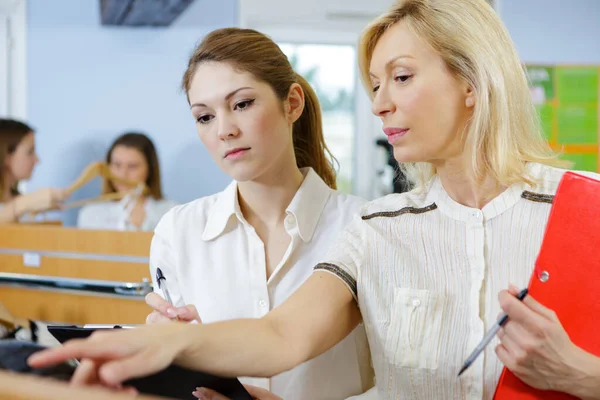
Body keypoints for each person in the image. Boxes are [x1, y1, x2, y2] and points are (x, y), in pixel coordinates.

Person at [27, 1, 600, 399]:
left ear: (472, 80)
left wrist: (580, 374)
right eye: (374, 85)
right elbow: (281, 335)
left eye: (400, 77)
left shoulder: (585, 211)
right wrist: (165, 342)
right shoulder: (379, 227)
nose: (380, 104)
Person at [135, 28, 374, 399]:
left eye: (242, 104)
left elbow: (398, 383)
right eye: (204, 117)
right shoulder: (177, 232)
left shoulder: (365, 227)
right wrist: (174, 352)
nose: (225, 131)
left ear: (292, 104)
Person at [77, 132, 176, 231]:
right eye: (117, 165)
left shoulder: (171, 213)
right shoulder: (91, 214)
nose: (122, 175)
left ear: (150, 169)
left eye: (132, 166)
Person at [0, 119, 68, 223]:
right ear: (6, 156)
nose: (37, 160)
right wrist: (24, 204)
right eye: (30, 152)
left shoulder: (23, 205)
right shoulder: (22, 204)